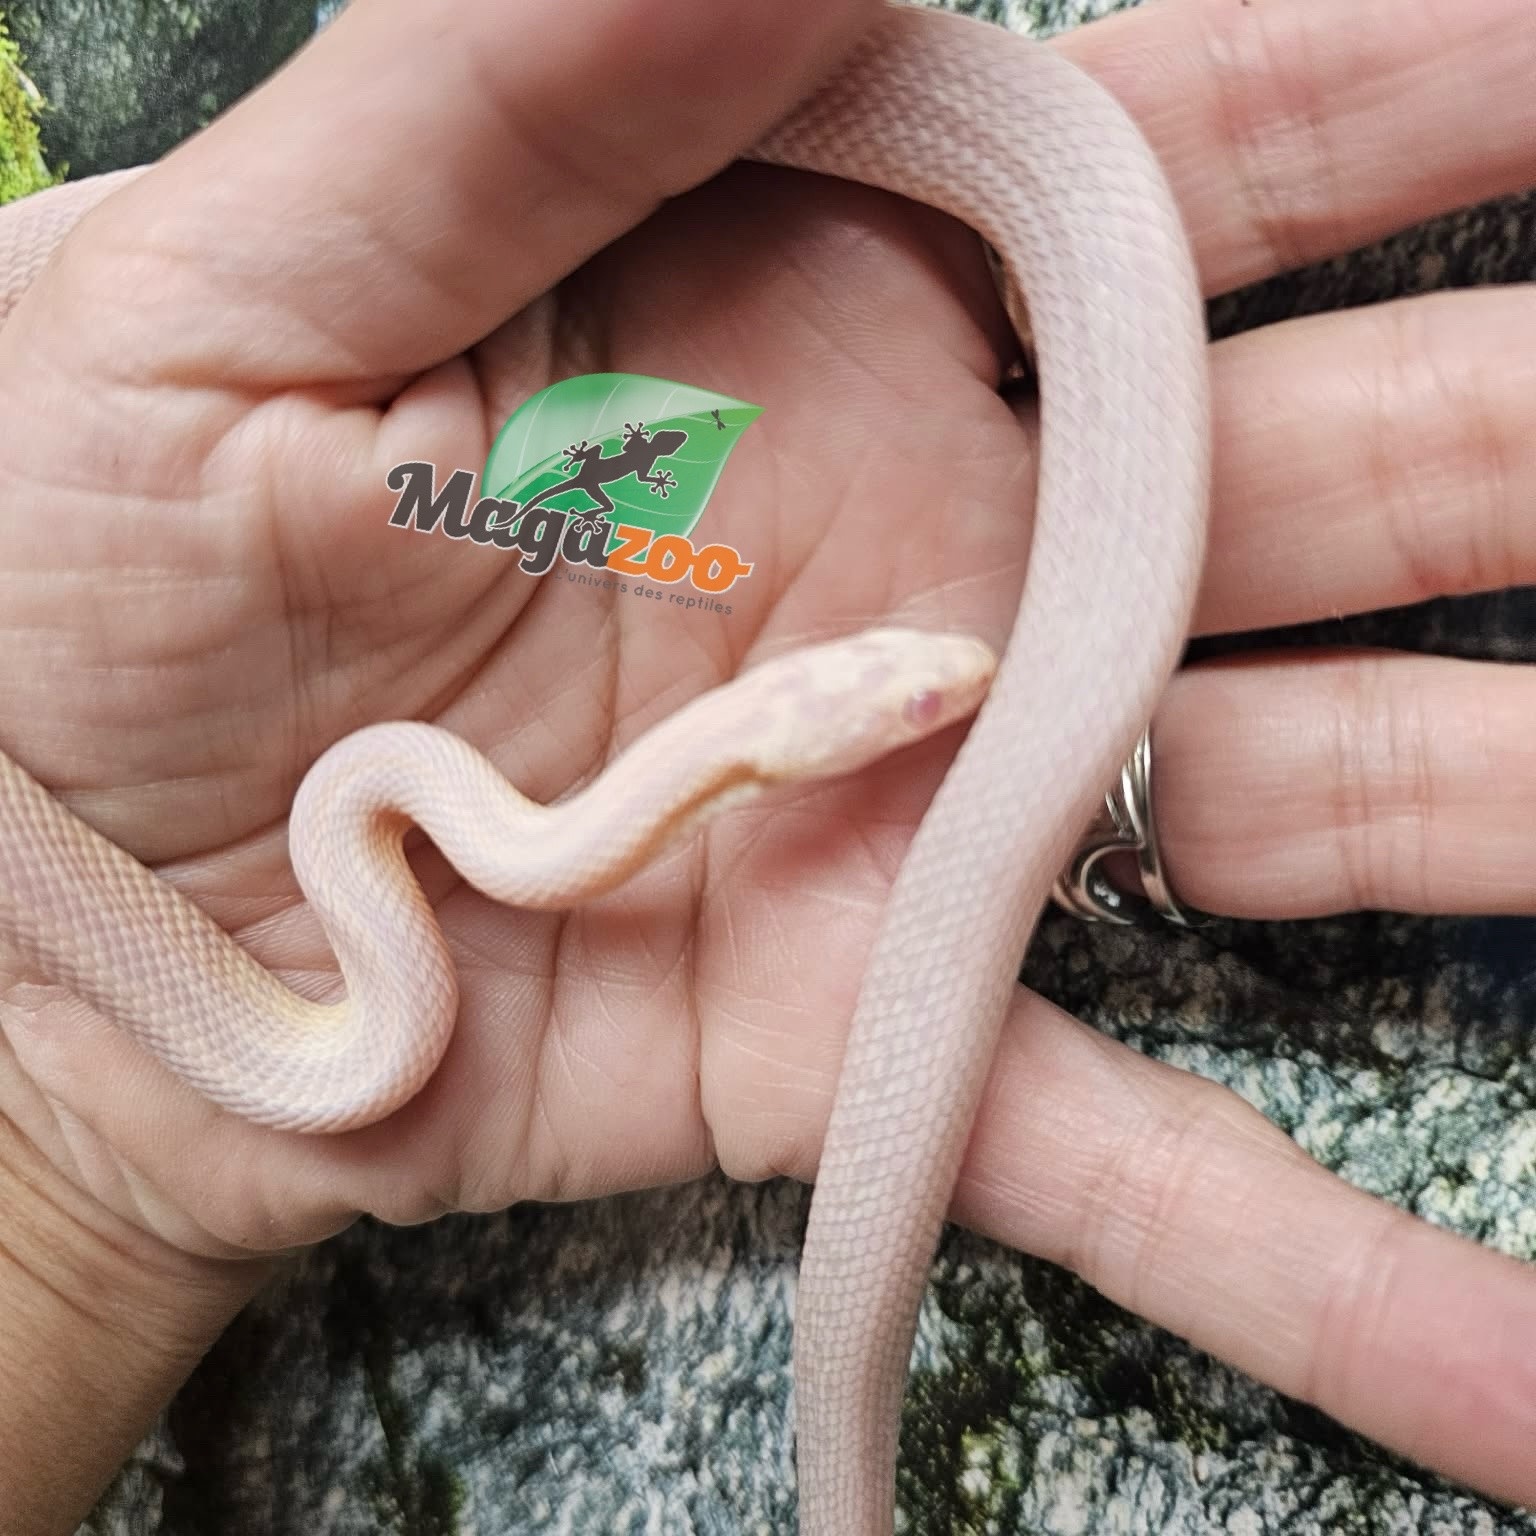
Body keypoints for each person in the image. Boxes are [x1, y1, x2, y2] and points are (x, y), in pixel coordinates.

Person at [1, 0, 1532, 1527]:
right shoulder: (383, 841)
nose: (943, 688)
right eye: (902, 711)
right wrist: (75, 1172)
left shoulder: (395, 807)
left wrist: (71, 1180)